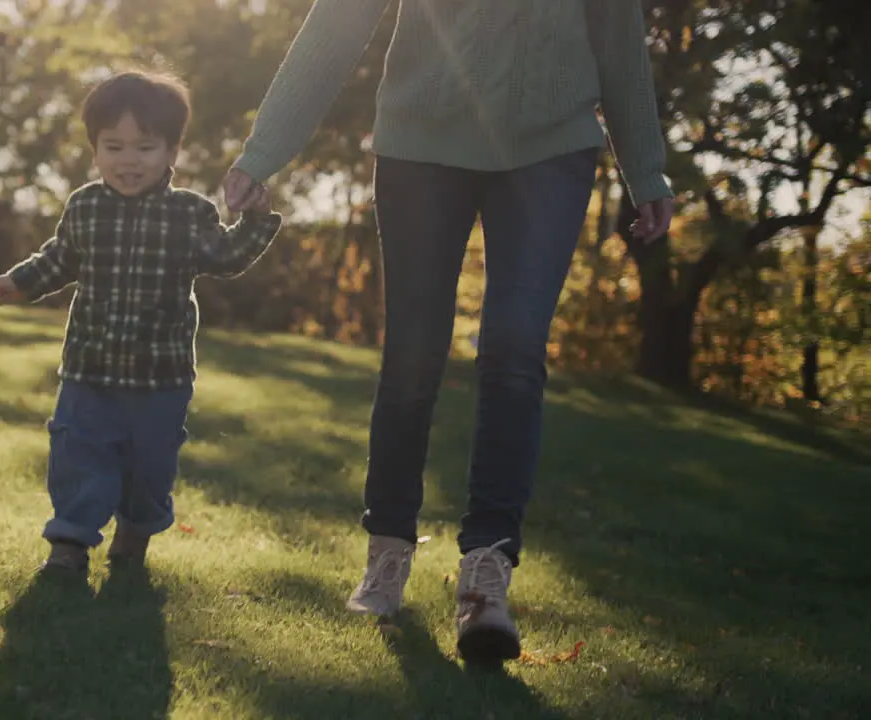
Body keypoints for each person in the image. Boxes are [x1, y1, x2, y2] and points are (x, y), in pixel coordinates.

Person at [223, 0, 675, 663]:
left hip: (551, 147)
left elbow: (618, 37)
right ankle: (388, 555)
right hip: (420, 145)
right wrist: (264, 151)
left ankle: (486, 576)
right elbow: (338, 24)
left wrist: (646, 166)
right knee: (412, 353)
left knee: (516, 346)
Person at [0, 70, 281, 573]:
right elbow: (61, 259)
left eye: (144, 148)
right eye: (114, 147)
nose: (128, 161)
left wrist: (255, 220)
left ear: (172, 152)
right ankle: (70, 543)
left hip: (159, 377)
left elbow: (227, 256)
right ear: (95, 150)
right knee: (77, 454)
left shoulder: (189, 213)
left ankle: (135, 532)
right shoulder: (84, 207)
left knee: (150, 468)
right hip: (89, 369)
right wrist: (21, 281)